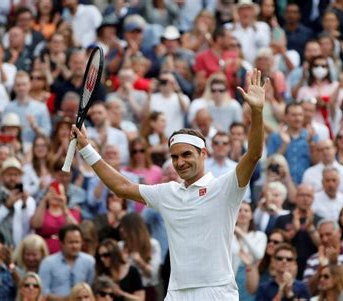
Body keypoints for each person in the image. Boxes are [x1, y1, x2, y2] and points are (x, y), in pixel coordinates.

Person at [70, 68, 268, 299]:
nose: (180, 162)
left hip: (217, 292)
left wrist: (257, 111)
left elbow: (253, 154)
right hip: (177, 293)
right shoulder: (168, 193)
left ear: (203, 153)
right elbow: (121, 187)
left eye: (186, 155)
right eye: (174, 157)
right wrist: (86, 148)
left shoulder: (225, 187)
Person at [0, 157, 36, 246]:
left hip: (19, 248)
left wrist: (24, 205)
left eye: (16, 175)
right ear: (2, 176)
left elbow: (28, 228)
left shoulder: (29, 200)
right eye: (9, 174)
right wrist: (6, 207)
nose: (12, 178)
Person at [39, 224, 95, 300]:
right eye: (71, 242)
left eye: (77, 242)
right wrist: (66, 299)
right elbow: (43, 291)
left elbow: (91, 289)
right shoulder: (48, 263)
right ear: (61, 243)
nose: (74, 246)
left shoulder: (90, 262)